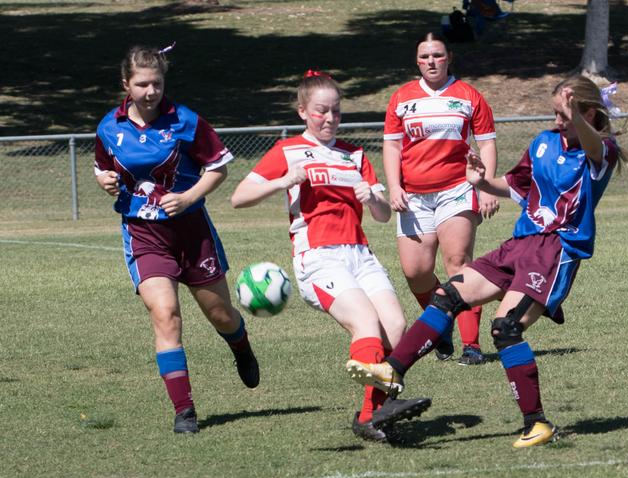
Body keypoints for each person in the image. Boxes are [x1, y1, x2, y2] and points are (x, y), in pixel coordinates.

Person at [347, 75, 628, 447]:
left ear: (586, 113)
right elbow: (516, 183)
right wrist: (483, 182)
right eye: (555, 113)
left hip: (556, 252)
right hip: (520, 242)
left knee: (505, 327)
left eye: (564, 115)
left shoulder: (601, 150)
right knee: (446, 296)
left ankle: (536, 424)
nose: (557, 121)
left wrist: (578, 118)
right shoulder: (543, 142)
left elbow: (593, 146)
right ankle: (391, 372)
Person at [231, 70, 431, 442]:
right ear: (303, 112)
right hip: (318, 257)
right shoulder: (288, 151)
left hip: (360, 253)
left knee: (397, 327)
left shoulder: (355, 155)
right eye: (321, 111)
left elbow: (385, 215)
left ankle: (371, 415)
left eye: (336, 111)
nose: (330, 119)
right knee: (366, 324)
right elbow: (238, 197)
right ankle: (377, 410)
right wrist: (283, 181)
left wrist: (373, 198)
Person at [94, 45, 259, 434]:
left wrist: (188, 197)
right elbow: (102, 167)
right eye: (142, 84)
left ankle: (240, 346)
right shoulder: (108, 126)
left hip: (192, 232)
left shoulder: (184, 120)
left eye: (157, 83)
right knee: (165, 314)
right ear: (126, 84)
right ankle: (184, 411)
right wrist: (104, 180)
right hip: (143, 233)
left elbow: (219, 166)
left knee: (221, 315)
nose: (151, 91)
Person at [383, 32, 499, 365]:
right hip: (414, 196)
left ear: (449, 57)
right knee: (415, 272)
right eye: (424, 57)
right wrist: (394, 186)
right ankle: (442, 323)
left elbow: (487, 143)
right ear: (417, 61)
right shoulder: (402, 98)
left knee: (457, 262)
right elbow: (391, 145)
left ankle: (472, 345)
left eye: (437, 55)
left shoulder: (468, 95)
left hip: (457, 189)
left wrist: (486, 186)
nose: (431, 61)